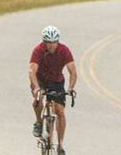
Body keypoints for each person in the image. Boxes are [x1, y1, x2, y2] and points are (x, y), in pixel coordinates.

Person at [29, 25, 77, 153]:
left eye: (53, 42)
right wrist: (36, 89)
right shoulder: (38, 50)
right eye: (48, 43)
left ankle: (60, 145)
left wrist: (70, 88)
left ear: (57, 41)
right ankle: (39, 122)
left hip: (56, 81)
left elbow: (72, 71)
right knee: (38, 99)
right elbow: (32, 71)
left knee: (60, 110)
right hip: (40, 80)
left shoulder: (64, 50)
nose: (51, 45)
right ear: (44, 42)